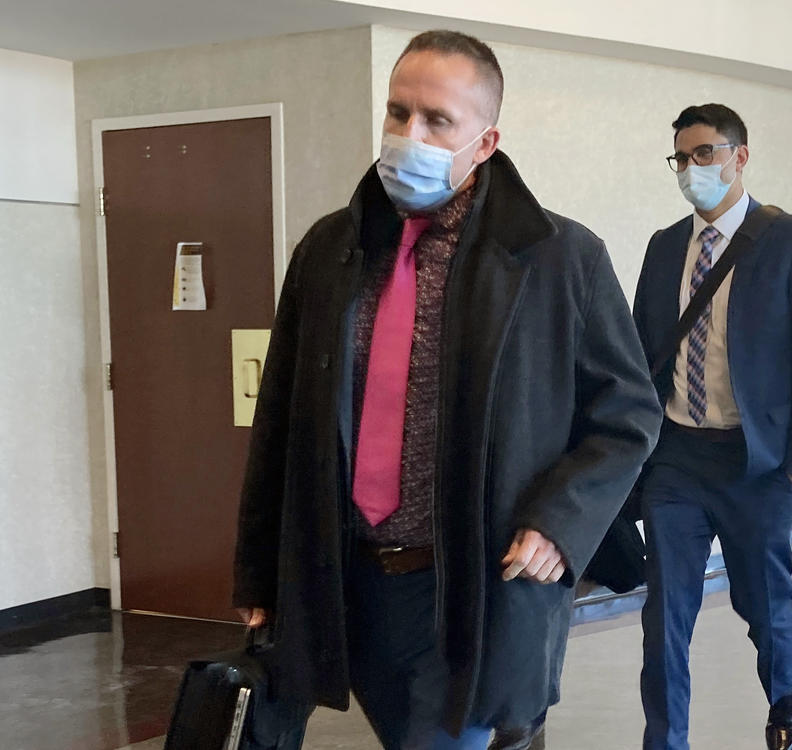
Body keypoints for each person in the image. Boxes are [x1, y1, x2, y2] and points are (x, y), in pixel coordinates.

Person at [233, 29, 662, 750]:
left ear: (486, 141)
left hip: (473, 586)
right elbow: (278, 416)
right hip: (350, 579)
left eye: (438, 121)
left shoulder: (559, 259)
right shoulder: (329, 251)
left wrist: (562, 521)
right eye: (398, 113)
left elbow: (629, 415)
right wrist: (256, 574)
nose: (409, 134)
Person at [633, 103, 792, 750]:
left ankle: (784, 695)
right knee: (665, 614)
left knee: (764, 604)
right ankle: (666, 741)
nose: (692, 170)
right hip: (677, 460)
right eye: (681, 158)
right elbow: (643, 354)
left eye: (704, 155)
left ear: (739, 155)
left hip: (757, 464)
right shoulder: (666, 247)